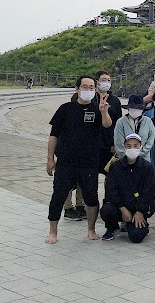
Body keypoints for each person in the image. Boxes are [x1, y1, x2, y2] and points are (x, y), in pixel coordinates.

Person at [45, 76, 112, 244]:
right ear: (77, 89)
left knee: (91, 197)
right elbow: (53, 135)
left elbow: (107, 125)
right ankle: (53, 231)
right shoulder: (65, 109)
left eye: (91, 87)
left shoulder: (97, 108)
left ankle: (91, 229)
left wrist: (104, 111)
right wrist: (50, 159)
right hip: (65, 162)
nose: (88, 90)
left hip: (89, 163)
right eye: (85, 87)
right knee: (58, 196)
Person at [100, 133, 155, 242]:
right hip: (121, 207)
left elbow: (149, 192)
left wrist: (140, 211)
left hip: (138, 208)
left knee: (136, 236)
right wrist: (122, 208)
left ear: (140, 147)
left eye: (136, 146)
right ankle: (112, 227)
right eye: (129, 146)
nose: (132, 149)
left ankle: (141, 224)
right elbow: (111, 190)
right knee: (107, 210)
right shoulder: (115, 167)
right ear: (124, 147)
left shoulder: (147, 167)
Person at [113, 94, 155, 162]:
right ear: (128, 108)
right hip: (124, 162)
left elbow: (150, 141)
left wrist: (140, 156)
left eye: (138, 108)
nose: (135, 110)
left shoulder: (148, 122)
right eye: (133, 108)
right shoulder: (120, 122)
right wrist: (127, 158)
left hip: (144, 161)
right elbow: (118, 143)